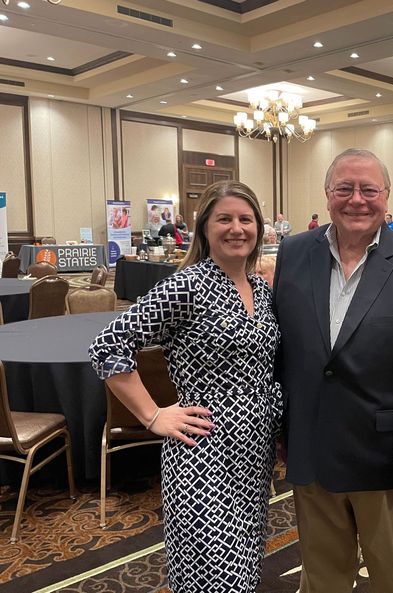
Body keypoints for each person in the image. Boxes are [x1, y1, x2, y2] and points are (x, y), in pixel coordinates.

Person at [273, 148, 393, 593]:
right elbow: (283, 350)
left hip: (388, 461)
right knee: (322, 579)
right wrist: (283, 434)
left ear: (386, 196)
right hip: (312, 454)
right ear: (328, 194)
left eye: (369, 189)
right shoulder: (294, 254)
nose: (357, 199)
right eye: (345, 188)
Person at [89, 180, 283, 593]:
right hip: (202, 460)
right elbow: (108, 345)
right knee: (215, 580)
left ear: (259, 228)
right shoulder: (187, 285)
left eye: (246, 219)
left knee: (244, 574)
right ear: (204, 229)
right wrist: (153, 414)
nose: (237, 228)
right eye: (224, 219)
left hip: (253, 461)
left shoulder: (260, 291)